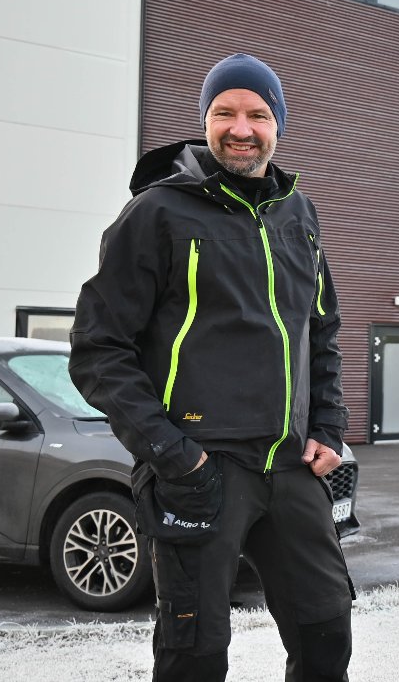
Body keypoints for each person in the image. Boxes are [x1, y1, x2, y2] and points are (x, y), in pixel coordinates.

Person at [69, 53, 353, 682]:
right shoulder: (158, 213)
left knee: (327, 634)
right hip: (201, 469)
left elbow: (321, 329)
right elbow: (98, 347)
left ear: (278, 125)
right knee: (194, 655)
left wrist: (328, 426)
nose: (241, 128)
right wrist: (173, 454)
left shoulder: (299, 214)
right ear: (205, 121)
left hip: (291, 464)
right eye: (225, 113)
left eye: (257, 114)